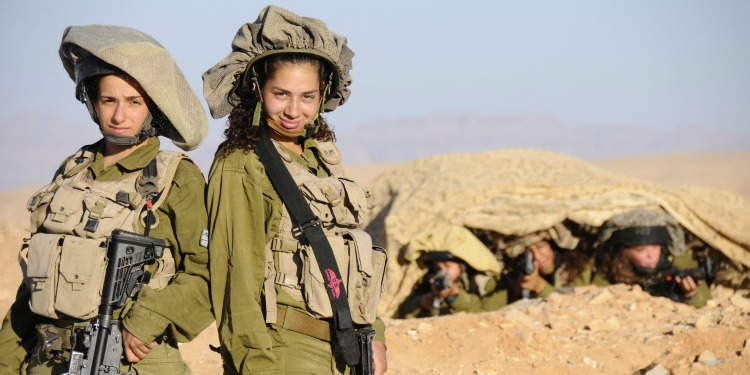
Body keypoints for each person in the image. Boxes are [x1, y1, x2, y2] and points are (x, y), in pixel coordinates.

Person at [0, 25, 214, 374]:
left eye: (134, 102)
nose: (118, 116)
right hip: (48, 359)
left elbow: (207, 270)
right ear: (93, 102)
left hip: (130, 359)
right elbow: (34, 285)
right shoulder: (73, 172)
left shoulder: (175, 176)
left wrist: (146, 321)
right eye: (108, 100)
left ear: (153, 108)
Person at [203, 5, 387, 375]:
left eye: (307, 97)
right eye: (281, 94)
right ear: (257, 89)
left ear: (324, 95)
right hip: (282, 352)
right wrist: (256, 365)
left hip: (343, 350)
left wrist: (375, 334)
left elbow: (344, 256)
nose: (293, 110)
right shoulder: (242, 163)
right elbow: (234, 281)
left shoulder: (319, 159)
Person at [592, 208, 711, 307]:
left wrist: (692, 294)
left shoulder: (679, 263)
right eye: (640, 250)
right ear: (624, 253)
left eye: (655, 247)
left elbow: (706, 303)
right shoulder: (610, 270)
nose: (651, 255)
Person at [396, 226, 503, 318]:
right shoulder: (426, 280)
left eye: (447, 266)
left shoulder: (485, 283)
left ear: (463, 266)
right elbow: (401, 313)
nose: (442, 271)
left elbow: (489, 315)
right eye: (437, 267)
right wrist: (422, 303)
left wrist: (455, 295)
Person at [501, 225, 593, 303]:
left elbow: (574, 306)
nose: (537, 256)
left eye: (540, 246)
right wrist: (516, 293)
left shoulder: (577, 267)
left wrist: (540, 286)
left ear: (552, 245)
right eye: (528, 253)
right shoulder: (513, 275)